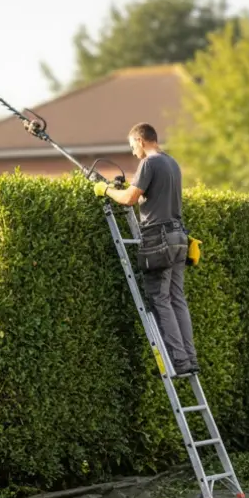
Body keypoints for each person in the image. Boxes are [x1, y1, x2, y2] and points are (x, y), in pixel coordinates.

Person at [94, 123, 198, 376]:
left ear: (140, 140)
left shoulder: (149, 164)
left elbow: (129, 198)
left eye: (132, 146)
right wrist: (125, 188)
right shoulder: (171, 163)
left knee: (160, 299)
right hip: (178, 236)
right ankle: (190, 359)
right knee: (177, 299)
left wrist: (106, 190)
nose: (132, 153)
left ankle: (179, 362)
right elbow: (145, 195)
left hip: (158, 238)